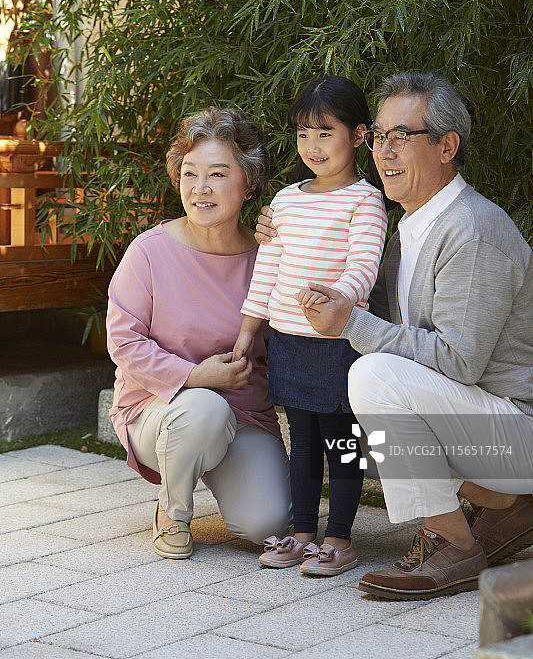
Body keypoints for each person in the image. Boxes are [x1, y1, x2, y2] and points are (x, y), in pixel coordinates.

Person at [258, 71, 532, 599]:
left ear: (447, 146)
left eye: (402, 136)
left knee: (374, 375)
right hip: (485, 430)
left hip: (516, 430)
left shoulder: (471, 229)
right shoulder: (409, 229)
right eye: (380, 135)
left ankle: (452, 542)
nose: (385, 150)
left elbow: (457, 362)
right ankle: (505, 504)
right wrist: (283, 227)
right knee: (356, 412)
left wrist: (350, 322)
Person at [106, 107, 291, 560]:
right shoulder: (150, 252)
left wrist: (291, 235)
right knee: (204, 411)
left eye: (217, 174)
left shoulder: (270, 257)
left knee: (265, 524)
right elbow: (124, 342)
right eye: (190, 174)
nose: (200, 188)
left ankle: (210, 470)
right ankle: (173, 512)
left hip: (244, 415)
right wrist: (195, 378)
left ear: (249, 184)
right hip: (161, 411)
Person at [233, 76, 388, 576]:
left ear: (359, 135)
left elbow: (364, 263)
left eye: (326, 133)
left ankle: (340, 538)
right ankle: (303, 533)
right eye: (304, 135)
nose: (313, 147)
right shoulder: (284, 200)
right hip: (288, 338)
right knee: (300, 439)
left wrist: (338, 299)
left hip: (338, 338)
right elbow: (268, 268)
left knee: (342, 438)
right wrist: (248, 329)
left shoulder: (366, 200)